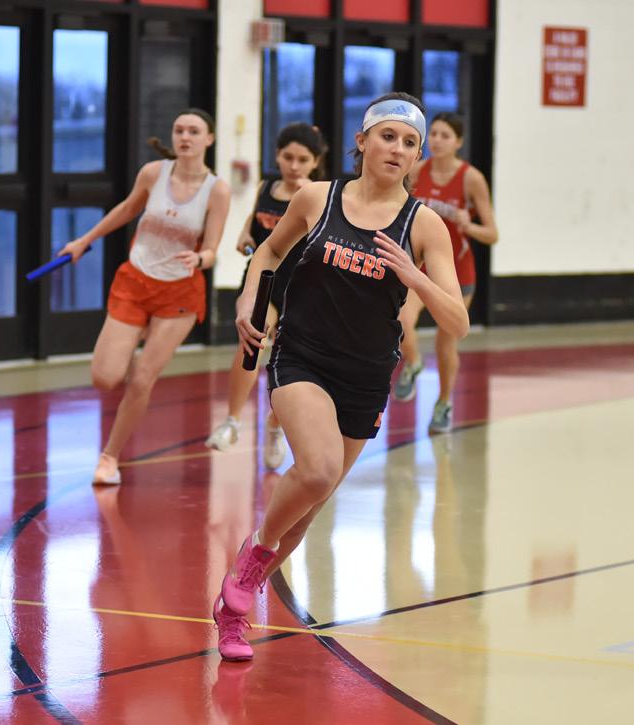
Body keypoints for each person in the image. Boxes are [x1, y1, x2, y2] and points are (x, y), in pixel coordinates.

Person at [210, 93, 468, 662]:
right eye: (388, 136)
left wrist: (415, 278)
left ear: (417, 156)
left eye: (409, 143)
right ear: (362, 140)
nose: (397, 148)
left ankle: (231, 614)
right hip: (301, 355)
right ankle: (252, 559)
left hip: (366, 375)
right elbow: (267, 254)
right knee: (319, 467)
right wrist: (249, 301)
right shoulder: (317, 197)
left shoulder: (424, 225)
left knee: (308, 508)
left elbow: (459, 322)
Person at [59, 109, 231, 485]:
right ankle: (133, 344)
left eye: (194, 131)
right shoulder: (154, 173)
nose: (185, 137)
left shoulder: (216, 190)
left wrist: (201, 258)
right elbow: (126, 209)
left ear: (209, 139)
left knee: (141, 380)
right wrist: (83, 241)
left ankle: (109, 457)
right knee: (105, 378)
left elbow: (213, 248)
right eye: (179, 130)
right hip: (135, 282)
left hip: (179, 293)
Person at [205, 124, 328, 470]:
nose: (294, 165)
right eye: (288, 157)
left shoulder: (317, 196)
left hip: (301, 288)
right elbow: (252, 226)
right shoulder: (265, 186)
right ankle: (232, 422)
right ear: (277, 156)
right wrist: (245, 236)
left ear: (315, 162)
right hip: (262, 280)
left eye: (302, 159)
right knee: (252, 340)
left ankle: (276, 424)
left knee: (289, 362)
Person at [392, 112, 498, 433]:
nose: (437, 141)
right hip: (420, 267)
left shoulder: (471, 178)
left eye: (445, 135)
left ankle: (443, 403)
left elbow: (492, 234)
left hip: (457, 273)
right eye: (434, 134)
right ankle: (413, 363)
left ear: (458, 142)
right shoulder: (417, 171)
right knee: (401, 321)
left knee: (445, 343)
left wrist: (469, 225)